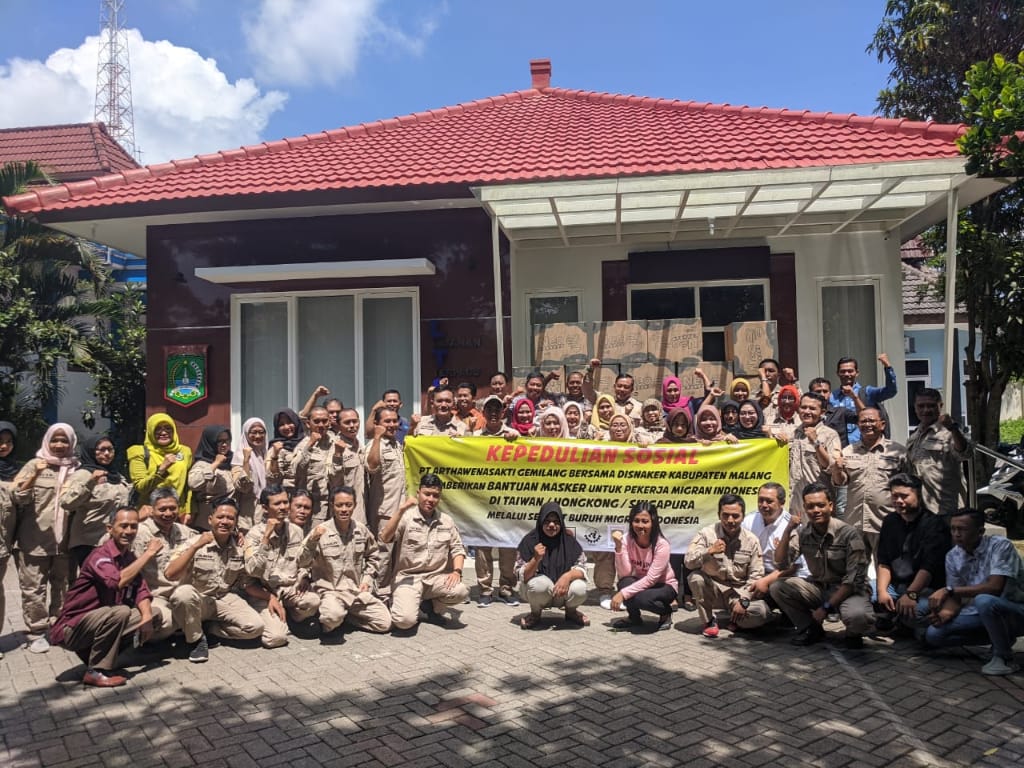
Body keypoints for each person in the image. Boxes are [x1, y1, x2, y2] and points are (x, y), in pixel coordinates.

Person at [50, 507, 162, 687]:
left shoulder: (128, 557)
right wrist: (148, 554)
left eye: (133, 527)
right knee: (121, 612)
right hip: (72, 628)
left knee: (154, 614)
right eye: (123, 526)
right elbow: (116, 582)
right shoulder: (99, 556)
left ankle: (99, 656)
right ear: (109, 528)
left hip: (101, 620)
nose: (128, 531)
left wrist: (147, 618)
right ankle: (96, 671)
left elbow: (141, 589)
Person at [922, 508, 1024, 675]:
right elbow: (955, 597)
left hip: (1014, 609)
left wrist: (948, 590)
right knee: (934, 635)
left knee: (984, 600)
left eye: (962, 529)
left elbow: (994, 588)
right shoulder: (953, 556)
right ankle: (1001, 639)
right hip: (980, 613)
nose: (956, 534)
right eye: (953, 529)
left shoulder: (1000, 546)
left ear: (980, 531)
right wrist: (946, 613)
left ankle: (1004, 657)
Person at [771, 483, 873, 648]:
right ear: (804, 508)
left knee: (858, 617)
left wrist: (825, 608)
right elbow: (781, 562)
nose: (816, 510)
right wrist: (788, 530)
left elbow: (853, 581)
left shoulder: (849, 534)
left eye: (820, 505)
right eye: (810, 506)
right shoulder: (804, 533)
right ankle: (811, 629)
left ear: (831, 506)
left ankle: (853, 634)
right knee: (778, 587)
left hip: (848, 592)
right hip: (820, 588)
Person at [165, 500, 263, 662]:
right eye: (220, 517)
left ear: (236, 522)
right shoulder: (194, 542)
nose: (225, 521)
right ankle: (196, 641)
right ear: (210, 519)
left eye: (230, 518)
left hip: (224, 598)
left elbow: (247, 579)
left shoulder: (240, 547)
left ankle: (210, 629)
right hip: (199, 600)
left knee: (255, 628)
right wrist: (195, 547)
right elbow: (170, 574)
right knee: (183, 593)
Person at [12, 422, 80, 653]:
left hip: (65, 540)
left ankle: (58, 625)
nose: (59, 445)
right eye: (55, 440)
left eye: (64, 440)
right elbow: (18, 496)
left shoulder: (77, 468)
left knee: (62, 585)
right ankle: (37, 631)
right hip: (34, 539)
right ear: (47, 441)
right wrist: (36, 474)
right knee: (33, 588)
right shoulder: (34, 464)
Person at [380, 474, 468, 630]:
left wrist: (456, 571)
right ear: (418, 493)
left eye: (435, 496)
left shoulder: (446, 521)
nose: (430, 499)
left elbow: (457, 548)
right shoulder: (406, 517)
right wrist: (401, 510)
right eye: (427, 494)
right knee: (404, 622)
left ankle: (431, 607)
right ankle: (399, 601)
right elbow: (386, 538)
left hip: (435, 578)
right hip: (408, 578)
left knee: (460, 590)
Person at [300, 485, 391, 634]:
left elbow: (373, 555)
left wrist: (367, 580)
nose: (344, 509)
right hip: (330, 592)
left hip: (354, 591)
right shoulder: (320, 531)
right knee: (332, 617)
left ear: (354, 506)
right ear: (332, 506)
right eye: (339, 505)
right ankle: (331, 618)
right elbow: (302, 562)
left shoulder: (361, 530)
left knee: (384, 623)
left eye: (348, 505)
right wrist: (312, 541)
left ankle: (347, 617)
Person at [244, 485, 321, 647]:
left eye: (285, 502)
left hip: (288, 589)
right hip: (264, 592)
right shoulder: (254, 534)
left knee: (313, 601)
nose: (283, 507)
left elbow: (303, 562)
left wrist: (305, 573)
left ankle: (291, 619)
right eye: (277, 504)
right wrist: (266, 538)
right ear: (265, 508)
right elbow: (253, 570)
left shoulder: (295, 531)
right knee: (276, 638)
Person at [874, 473, 950, 633]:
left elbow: (928, 567)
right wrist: (881, 592)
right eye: (895, 496)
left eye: (904, 496)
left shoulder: (934, 524)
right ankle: (897, 617)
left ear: (918, 495)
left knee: (916, 613)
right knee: (869, 597)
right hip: (895, 585)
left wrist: (912, 594)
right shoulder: (890, 521)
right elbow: (884, 561)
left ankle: (902, 621)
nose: (899, 501)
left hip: (924, 588)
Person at [685, 494, 769, 637]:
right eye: (726, 515)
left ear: (743, 516)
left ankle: (735, 618)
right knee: (695, 578)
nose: (730, 520)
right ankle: (709, 621)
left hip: (738, 592)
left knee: (761, 613)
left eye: (735, 516)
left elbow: (756, 575)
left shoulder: (751, 540)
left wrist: (744, 601)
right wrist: (709, 552)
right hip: (714, 591)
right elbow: (688, 562)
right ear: (719, 515)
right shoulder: (706, 534)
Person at [831, 408, 907, 557]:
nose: (867, 424)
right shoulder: (848, 451)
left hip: (885, 522)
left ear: (882, 424)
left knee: (887, 569)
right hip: (855, 522)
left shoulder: (898, 452)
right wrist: (836, 470)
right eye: (863, 421)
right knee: (856, 572)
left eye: (871, 420)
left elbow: (908, 486)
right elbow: (841, 482)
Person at [470, 398, 520, 607]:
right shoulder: (473, 437)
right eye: (488, 409)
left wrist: (518, 440)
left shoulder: (512, 435)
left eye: (496, 409)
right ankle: (485, 589)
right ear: (482, 412)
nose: (492, 412)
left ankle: (506, 588)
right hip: (481, 502)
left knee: (508, 546)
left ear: (502, 412)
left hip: (506, 502)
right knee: (482, 548)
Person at [132, 488, 196, 642]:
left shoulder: (183, 531)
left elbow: (207, 537)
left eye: (172, 508)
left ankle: (188, 626)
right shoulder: (140, 533)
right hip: (156, 596)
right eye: (162, 509)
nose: (168, 513)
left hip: (180, 593)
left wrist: (235, 535)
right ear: (152, 510)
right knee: (165, 625)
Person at [515, 501, 590, 629]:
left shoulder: (569, 542)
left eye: (556, 521)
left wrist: (567, 576)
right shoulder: (529, 541)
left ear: (561, 523)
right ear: (540, 521)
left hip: (563, 592)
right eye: (547, 521)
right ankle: (535, 614)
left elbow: (582, 568)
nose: (551, 525)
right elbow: (523, 576)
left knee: (580, 588)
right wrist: (536, 559)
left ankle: (571, 612)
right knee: (538, 585)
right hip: (539, 593)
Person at [63, 435, 132, 567]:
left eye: (110, 449)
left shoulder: (116, 475)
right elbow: (66, 503)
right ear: (90, 451)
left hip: (113, 540)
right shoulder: (83, 474)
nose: (107, 454)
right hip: (90, 541)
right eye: (101, 450)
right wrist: (90, 483)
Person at [744, 483, 808, 618]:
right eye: (761, 500)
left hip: (783, 576)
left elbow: (793, 567)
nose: (764, 505)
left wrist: (765, 581)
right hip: (756, 573)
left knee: (777, 587)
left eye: (769, 501)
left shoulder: (792, 526)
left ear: (782, 503)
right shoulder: (749, 521)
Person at [610, 502, 677, 631]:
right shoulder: (626, 539)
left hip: (664, 585)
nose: (640, 525)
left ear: (653, 522)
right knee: (624, 583)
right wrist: (619, 547)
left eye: (645, 521)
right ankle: (634, 618)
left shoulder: (662, 544)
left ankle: (665, 613)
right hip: (641, 582)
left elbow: (652, 579)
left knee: (641, 598)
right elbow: (625, 573)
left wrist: (623, 595)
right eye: (636, 521)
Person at [905, 388, 970, 518]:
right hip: (920, 508)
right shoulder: (914, 436)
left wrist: (953, 428)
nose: (926, 410)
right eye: (921, 406)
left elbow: (964, 453)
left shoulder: (949, 433)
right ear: (915, 408)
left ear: (940, 406)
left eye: (931, 405)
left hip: (945, 508)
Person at [364, 405, 405, 596]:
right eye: (386, 421)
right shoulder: (374, 445)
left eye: (394, 421)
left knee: (398, 557)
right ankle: (378, 597)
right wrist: (377, 438)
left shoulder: (399, 445)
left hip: (402, 510)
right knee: (382, 557)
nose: (392, 425)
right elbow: (372, 467)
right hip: (384, 512)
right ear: (377, 424)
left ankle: (392, 596)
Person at [127, 414, 193, 517]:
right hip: (149, 514)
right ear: (150, 431)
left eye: (168, 428)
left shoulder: (184, 451)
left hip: (177, 513)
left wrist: (188, 510)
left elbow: (188, 486)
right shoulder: (139, 452)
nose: (163, 433)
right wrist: (161, 470)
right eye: (157, 429)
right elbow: (140, 487)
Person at [787, 393, 842, 517]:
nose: (807, 411)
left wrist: (816, 442)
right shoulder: (793, 433)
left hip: (818, 504)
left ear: (822, 412)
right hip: (795, 503)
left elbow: (831, 466)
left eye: (812, 408)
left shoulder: (830, 435)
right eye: (803, 407)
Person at [287, 406, 343, 523]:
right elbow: (294, 470)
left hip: (335, 506)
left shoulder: (336, 442)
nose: (321, 425)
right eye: (316, 421)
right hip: (314, 507)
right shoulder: (304, 445)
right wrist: (310, 444)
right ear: (308, 424)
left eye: (324, 421)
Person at [829, 354, 898, 445]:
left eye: (850, 371)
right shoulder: (832, 396)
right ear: (837, 373)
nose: (846, 374)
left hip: (865, 447)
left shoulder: (867, 392)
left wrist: (887, 367)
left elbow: (891, 391)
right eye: (843, 371)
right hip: (840, 448)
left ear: (857, 373)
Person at [0, 421, 22, 658]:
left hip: (2, 544)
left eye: (8, 442)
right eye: (0, 441)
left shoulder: (17, 472)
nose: (4, 446)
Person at [187, 425, 236, 532]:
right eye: (220, 441)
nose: (224, 445)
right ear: (210, 442)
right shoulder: (202, 464)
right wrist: (215, 463)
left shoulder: (232, 461)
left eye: (227, 440)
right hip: (207, 523)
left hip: (228, 521)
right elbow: (193, 483)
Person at [333, 408, 368, 526]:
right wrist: (338, 455)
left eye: (355, 421)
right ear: (338, 425)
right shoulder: (335, 446)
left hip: (363, 506)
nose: (352, 426)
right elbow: (333, 480)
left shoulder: (359, 445)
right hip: (346, 509)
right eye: (347, 422)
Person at [232, 417, 268, 531]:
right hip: (248, 515)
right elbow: (243, 487)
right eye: (253, 432)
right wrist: (246, 460)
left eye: (261, 432)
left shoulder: (268, 454)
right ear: (246, 434)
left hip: (267, 512)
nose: (257, 436)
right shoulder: (239, 457)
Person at [582, 359, 642, 425]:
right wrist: (590, 370)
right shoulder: (605, 401)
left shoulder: (639, 407)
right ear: (614, 386)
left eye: (626, 387)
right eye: (619, 386)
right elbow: (588, 391)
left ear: (632, 389)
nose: (622, 389)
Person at [809, 377, 858, 448]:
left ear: (830, 393)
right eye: (818, 391)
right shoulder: (806, 415)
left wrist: (855, 397)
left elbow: (861, 418)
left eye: (825, 391)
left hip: (838, 456)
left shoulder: (840, 412)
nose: (822, 394)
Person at [267, 408, 305, 487]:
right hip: (288, 494)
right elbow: (273, 479)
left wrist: (316, 396)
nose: (286, 427)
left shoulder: (306, 442)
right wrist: (275, 455)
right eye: (281, 424)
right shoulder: (275, 447)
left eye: (290, 422)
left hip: (309, 495)